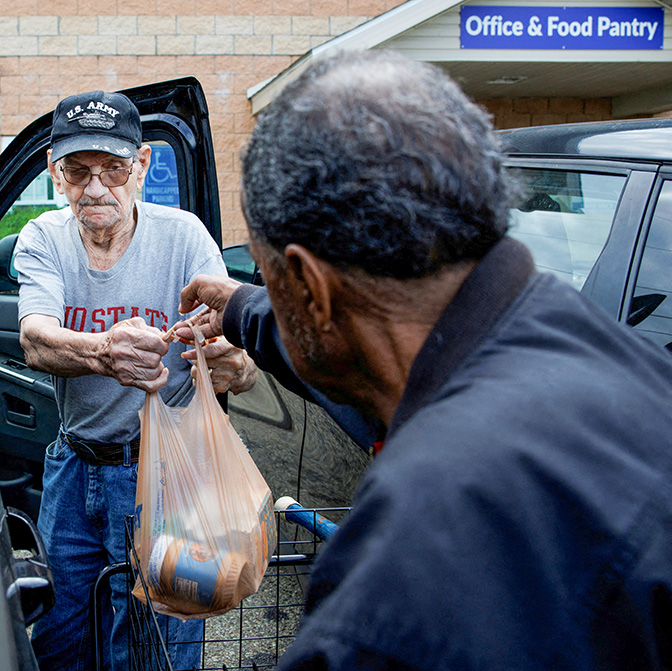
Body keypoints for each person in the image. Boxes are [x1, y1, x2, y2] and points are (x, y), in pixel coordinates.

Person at [174, 50, 672, 669]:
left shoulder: (413, 561)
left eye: (277, 282)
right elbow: (350, 330)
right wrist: (248, 307)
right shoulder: (588, 344)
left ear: (307, 285)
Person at [15, 90, 257, 671]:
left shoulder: (184, 237)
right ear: (55, 171)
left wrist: (234, 367)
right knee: (57, 632)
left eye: (114, 169)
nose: (96, 189)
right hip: (74, 468)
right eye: (78, 171)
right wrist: (103, 352)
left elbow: (233, 348)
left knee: (157, 643)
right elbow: (35, 338)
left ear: (142, 165)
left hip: (168, 471)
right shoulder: (44, 238)